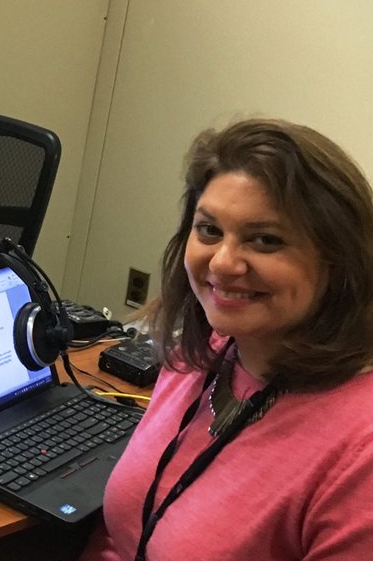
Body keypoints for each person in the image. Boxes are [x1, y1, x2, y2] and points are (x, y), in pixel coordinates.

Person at [80, 118, 373, 560]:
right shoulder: (203, 354)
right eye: (210, 230)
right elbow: (119, 536)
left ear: (340, 260)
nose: (222, 263)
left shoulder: (361, 455)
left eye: (266, 240)